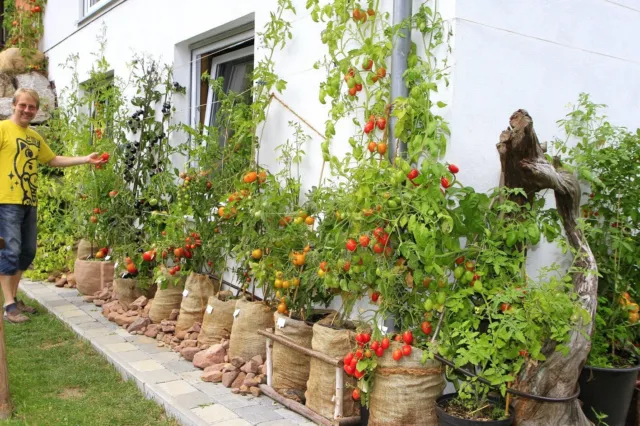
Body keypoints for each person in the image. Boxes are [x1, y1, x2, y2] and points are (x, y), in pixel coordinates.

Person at [0, 88, 106, 323]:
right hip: (6, 202)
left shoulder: (34, 137)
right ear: (13, 105)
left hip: (28, 201)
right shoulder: (3, 129)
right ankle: (8, 306)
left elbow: (53, 159)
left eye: (32, 107)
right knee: (10, 251)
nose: (27, 110)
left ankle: (14, 298)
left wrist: (85, 159)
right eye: (23, 105)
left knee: (27, 252)